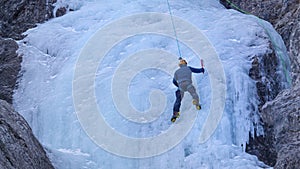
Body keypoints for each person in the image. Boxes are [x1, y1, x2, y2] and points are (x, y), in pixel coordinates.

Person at [171, 58, 205, 122]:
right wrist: (202, 70)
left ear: (180, 65)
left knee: (178, 100)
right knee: (193, 93)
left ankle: (175, 114)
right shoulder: (188, 68)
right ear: (185, 64)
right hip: (188, 84)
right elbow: (197, 70)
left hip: (181, 86)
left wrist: (178, 86)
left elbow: (174, 81)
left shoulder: (176, 72)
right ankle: (196, 102)